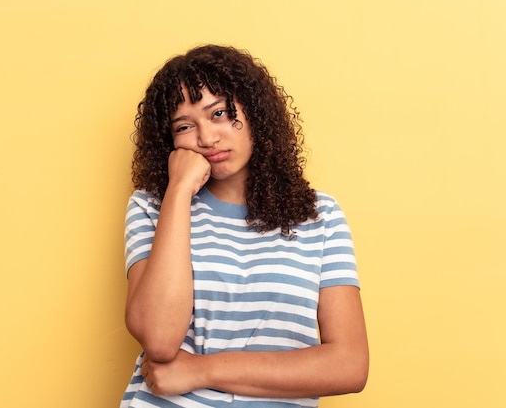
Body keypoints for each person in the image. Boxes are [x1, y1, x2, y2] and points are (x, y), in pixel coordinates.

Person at [121, 44, 368, 408]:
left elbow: (348, 366)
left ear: (255, 114)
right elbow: (159, 338)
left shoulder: (320, 216)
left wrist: (203, 371)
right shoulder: (153, 206)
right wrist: (179, 190)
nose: (206, 138)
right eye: (185, 126)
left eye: (219, 113)